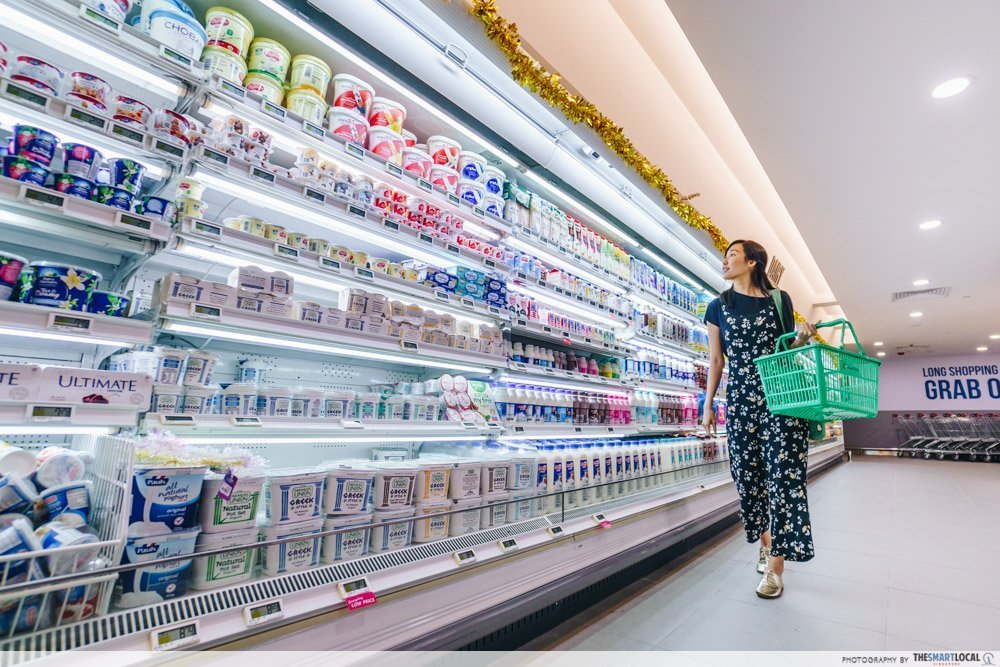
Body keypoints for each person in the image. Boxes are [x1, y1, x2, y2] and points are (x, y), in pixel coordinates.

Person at [702, 239, 818, 599]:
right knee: (747, 478)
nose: (725, 261)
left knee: (785, 479)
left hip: (782, 398)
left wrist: (801, 337)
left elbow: (787, 350)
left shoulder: (779, 300)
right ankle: (766, 543)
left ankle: (776, 567)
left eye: (732, 255)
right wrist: (708, 405)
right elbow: (717, 361)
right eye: (725, 257)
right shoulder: (717, 307)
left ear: (752, 262)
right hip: (740, 402)